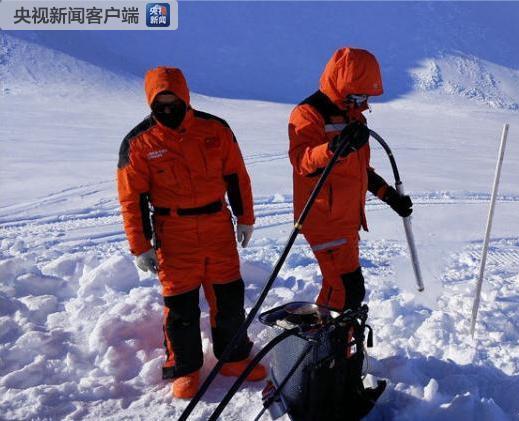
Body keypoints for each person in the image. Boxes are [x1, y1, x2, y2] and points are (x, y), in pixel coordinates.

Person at [116, 66, 266, 399]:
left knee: (228, 297)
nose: (168, 110)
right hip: (173, 231)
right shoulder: (138, 142)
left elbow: (236, 176)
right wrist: (140, 246)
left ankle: (233, 358)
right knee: (181, 306)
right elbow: (132, 199)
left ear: (186, 98)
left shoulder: (216, 129)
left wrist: (246, 217)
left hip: (217, 225)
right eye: (160, 105)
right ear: (151, 103)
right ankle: (185, 368)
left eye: (174, 103)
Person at [288, 48, 414, 312]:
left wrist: (389, 196)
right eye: (357, 96)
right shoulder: (309, 113)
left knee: (342, 289)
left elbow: (360, 171)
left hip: (345, 220)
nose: (362, 103)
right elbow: (303, 162)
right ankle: (329, 349)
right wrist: (335, 148)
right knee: (346, 289)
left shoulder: (353, 118)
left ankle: (330, 346)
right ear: (341, 86)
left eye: (366, 97)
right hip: (322, 217)